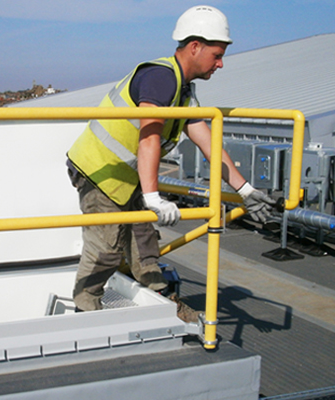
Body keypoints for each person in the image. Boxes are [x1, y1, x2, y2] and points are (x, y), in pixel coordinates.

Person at [66, 5, 276, 315]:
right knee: (107, 250)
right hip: (99, 171)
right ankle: (85, 310)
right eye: (217, 55)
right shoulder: (160, 77)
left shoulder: (182, 91)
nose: (220, 64)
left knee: (144, 241)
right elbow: (149, 136)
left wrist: (245, 190)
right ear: (195, 47)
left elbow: (210, 145)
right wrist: (153, 198)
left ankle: (163, 302)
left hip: (127, 177)